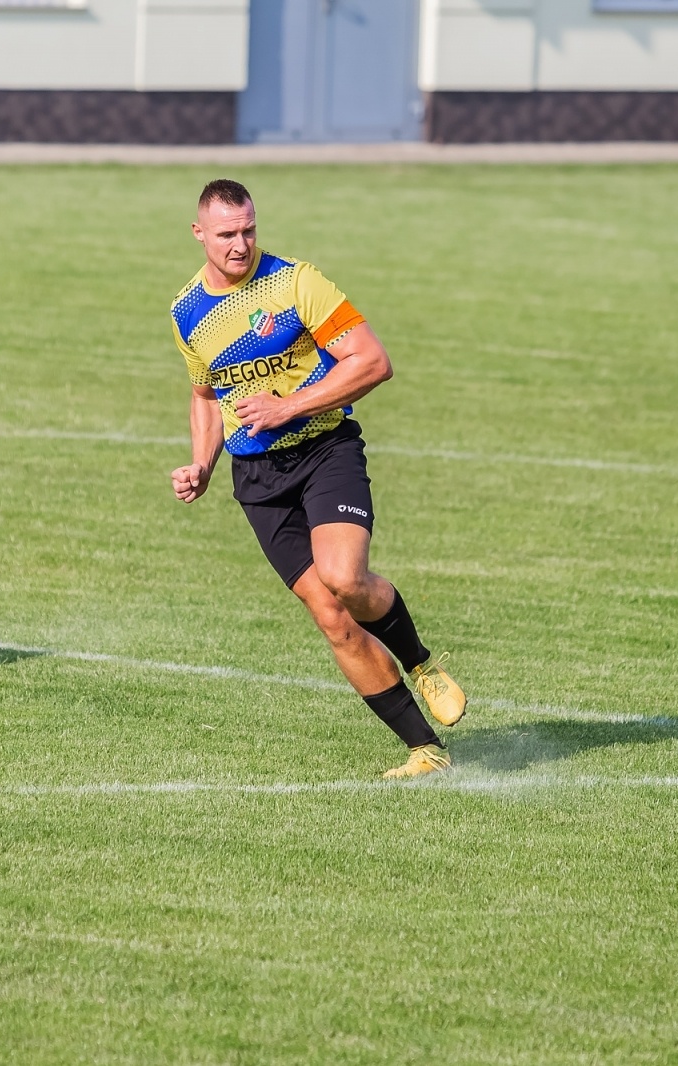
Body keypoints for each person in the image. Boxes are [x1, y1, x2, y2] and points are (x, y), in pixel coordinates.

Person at [168, 179, 466, 779]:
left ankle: (421, 661)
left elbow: (373, 361)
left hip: (325, 449)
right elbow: (206, 394)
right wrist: (202, 461)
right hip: (258, 478)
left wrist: (290, 406)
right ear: (199, 234)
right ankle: (425, 750)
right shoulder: (186, 313)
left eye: (249, 229)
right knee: (331, 618)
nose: (240, 244)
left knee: (344, 579)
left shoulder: (296, 282)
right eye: (227, 234)